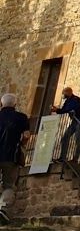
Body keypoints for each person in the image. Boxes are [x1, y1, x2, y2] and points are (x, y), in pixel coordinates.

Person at [0, 92, 31, 220]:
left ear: (1, 104)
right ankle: (3, 208)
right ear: (15, 104)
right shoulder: (22, 117)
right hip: (11, 155)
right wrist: (22, 145)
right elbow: (26, 136)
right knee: (9, 184)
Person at [55, 87, 80, 165]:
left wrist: (58, 110)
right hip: (75, 121)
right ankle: (62, 158)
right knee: (65, 138)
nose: (63, 95)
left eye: (64, 93)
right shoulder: (67, 101)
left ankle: (75, 159)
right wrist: (56, 110)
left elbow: (70, 108)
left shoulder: (76, 99)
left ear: (69, 92)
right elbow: (63, 110)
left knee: (77, 139)